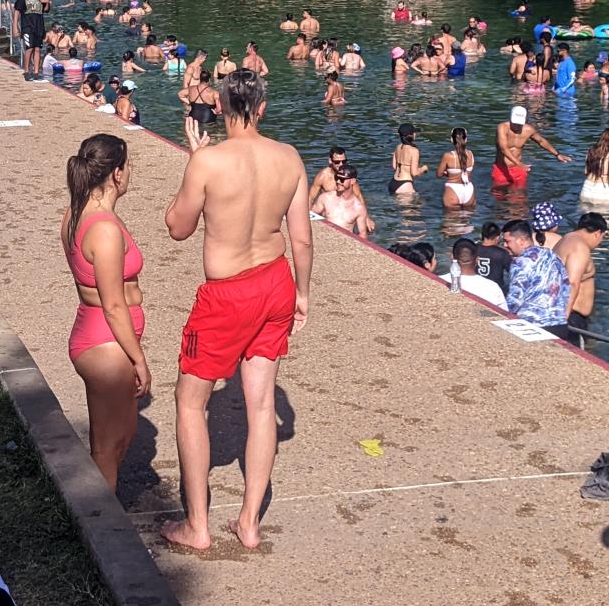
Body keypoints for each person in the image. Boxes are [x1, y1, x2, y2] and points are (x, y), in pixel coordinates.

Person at [161, 70, 312, 553]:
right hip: (276, 282)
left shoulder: (208, 161)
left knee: (190, 401)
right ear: (262, 108)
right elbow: (302, 238)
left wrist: (194, 162)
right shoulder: (289, 157)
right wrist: (303, 293)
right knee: (262, 404)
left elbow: (177, 228)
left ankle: (197, 526)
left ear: (220, 108)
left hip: (227, 293)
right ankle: (249, 523)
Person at [61, 134, 150, 490]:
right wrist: (139, 359)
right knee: (107, 448)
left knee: (120, 436)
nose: (131, 172)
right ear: (116, 173)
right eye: (129, 166)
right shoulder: (104, 229)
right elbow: (113, 306)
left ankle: (101, 508)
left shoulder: (76, 213)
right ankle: (101, 519)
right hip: (106, 342)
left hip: (98, 335)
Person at [502, 215, 572, 329]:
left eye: (507, 241)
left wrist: (501, 316)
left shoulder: (520, 262)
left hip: (533, 325)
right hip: (559, 323)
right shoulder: (552, 255)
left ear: (522, 240)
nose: (505, 245)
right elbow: (566, 287)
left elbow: (515, 299)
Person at [554, 212, 608, 343]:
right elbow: (572, 283)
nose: (600, 242)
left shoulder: (566, 239)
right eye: (602, 237)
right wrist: (563, 319)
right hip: (571, 316)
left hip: (563, 311)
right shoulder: (580, 247)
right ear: (597, 233)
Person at [493, 105, 570, 190]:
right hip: (502, 168)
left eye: (519, 124)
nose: (517, 126)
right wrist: (519, 164)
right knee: (499, 194)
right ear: (510, 119)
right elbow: (503, 149)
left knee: (520, 195)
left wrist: (557, 154)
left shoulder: (528, 130)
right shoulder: (503, 127)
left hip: (518, 169)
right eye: (515, 123)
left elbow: (541, 141)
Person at [446, 238, 505, 309]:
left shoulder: (440, 282)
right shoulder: (493, 288)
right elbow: (504, 313)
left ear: (452, 257)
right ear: (477, 260)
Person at [318, 166, 374, 237]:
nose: (338, 181)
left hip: (344, 240)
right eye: (336, 178)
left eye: (342, 179)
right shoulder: (325, 198)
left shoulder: (359, 208)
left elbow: (362, 234)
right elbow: (310, 216)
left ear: (352, 181)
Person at [13, 0, 47, 78]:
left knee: (37, 49)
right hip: (27, 26)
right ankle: (27, 70)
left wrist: (47, 2)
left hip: (39, 26)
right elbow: (17, 11)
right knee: (29, 48)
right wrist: (15, 27)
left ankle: (36, 72)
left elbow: (45, 10)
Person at [439, 127, 476, 209]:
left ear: (452, 140)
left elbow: (439, 174)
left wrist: (447, 173)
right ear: (466, 139)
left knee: (451, 216)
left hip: (453, 189)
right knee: (468, 216)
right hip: (468, 189)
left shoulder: (448, 156)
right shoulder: (470, 154)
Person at [182, 72, 220, 151]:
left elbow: (180, 94)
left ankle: (191, 148)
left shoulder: (191, 89)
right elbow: (219, 109)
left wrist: (189, 103)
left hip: (193, 116)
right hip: (208, 118)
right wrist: (216, 111)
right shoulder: (214, 92)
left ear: (200, 78)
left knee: (194, 135)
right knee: (210, 136)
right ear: (209, 80)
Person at [390, 123, 427, 198]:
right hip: (405, 185)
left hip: (393, 182)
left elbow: (394, 166)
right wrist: (424, 168)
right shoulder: (414, 150)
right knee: (420, 204)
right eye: (414, 132)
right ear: (411, 135)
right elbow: (414, 173)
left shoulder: (398, 147)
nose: (415, 134)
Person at [474, 223, 512, 288]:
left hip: (476, 289)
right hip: (496, 290)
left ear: (481, 236)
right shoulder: (502, 253)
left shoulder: (472, 249)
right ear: (497, 237)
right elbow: (513, 272)